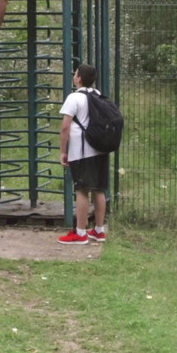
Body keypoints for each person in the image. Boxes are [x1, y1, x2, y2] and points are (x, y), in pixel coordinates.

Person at [57, 63, 108, 244]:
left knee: (82, 190)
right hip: (100, 149)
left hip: (81, 151)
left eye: (75, 73)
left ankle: (80, 233)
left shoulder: (74, 98)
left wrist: (63, 151)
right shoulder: (98, 95)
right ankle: (99, 231)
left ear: (78, 78)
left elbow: (65, 127)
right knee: (99, 189)